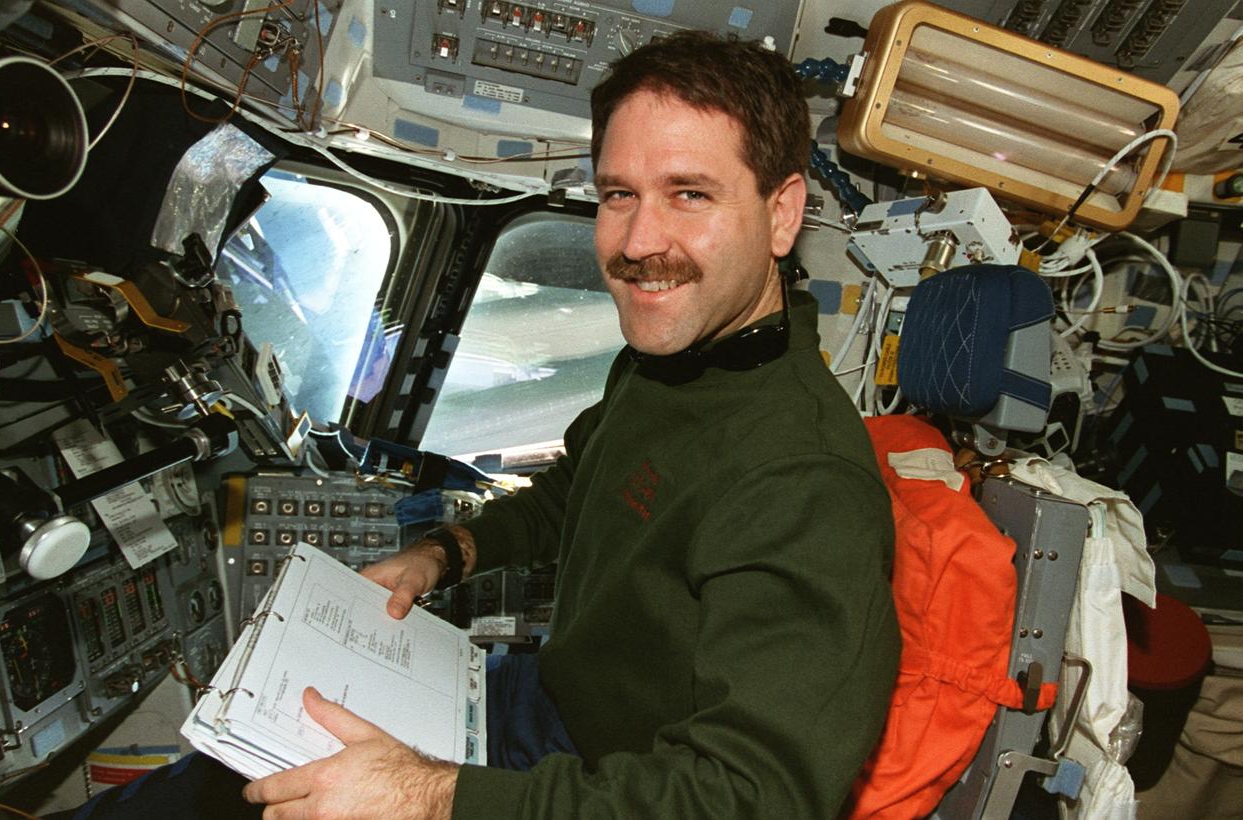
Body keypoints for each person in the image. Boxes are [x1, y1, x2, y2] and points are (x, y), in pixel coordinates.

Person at [53, 31, 898, 820]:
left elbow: (751, 798)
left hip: (611, 775)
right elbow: (580, 488)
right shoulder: (672, 361)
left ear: (783, 214)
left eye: (689, 195)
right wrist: (443, 555)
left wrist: (429, 796)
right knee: (231, 765)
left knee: (271, 787)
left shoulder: (804, 478)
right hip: (546, 700)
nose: (641, 241)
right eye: (618, 195)